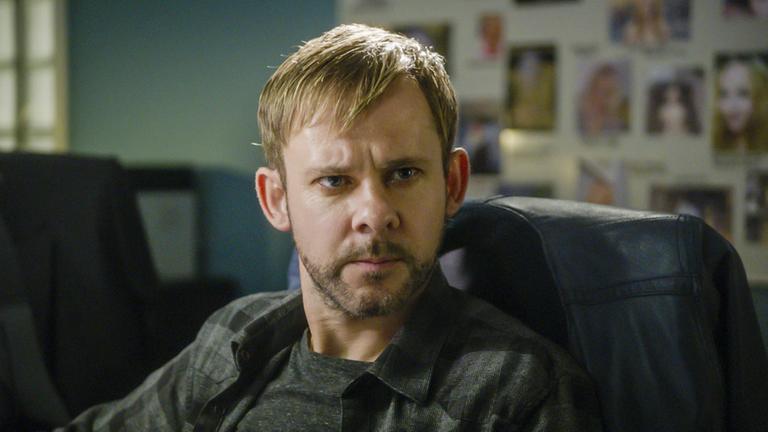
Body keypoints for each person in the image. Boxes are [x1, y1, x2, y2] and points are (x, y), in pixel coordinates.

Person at [57, 24, 602, 431]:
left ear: (453, 184)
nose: (374, 213)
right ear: (277, 200)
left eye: (404, 173)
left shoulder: (517, 392)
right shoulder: (235, 340)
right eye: (335, 181)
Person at [712, 56, 768, 153]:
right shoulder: (715, 143)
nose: (731, 106)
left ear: (759, 98)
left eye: (742, 94)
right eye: (724, 94)